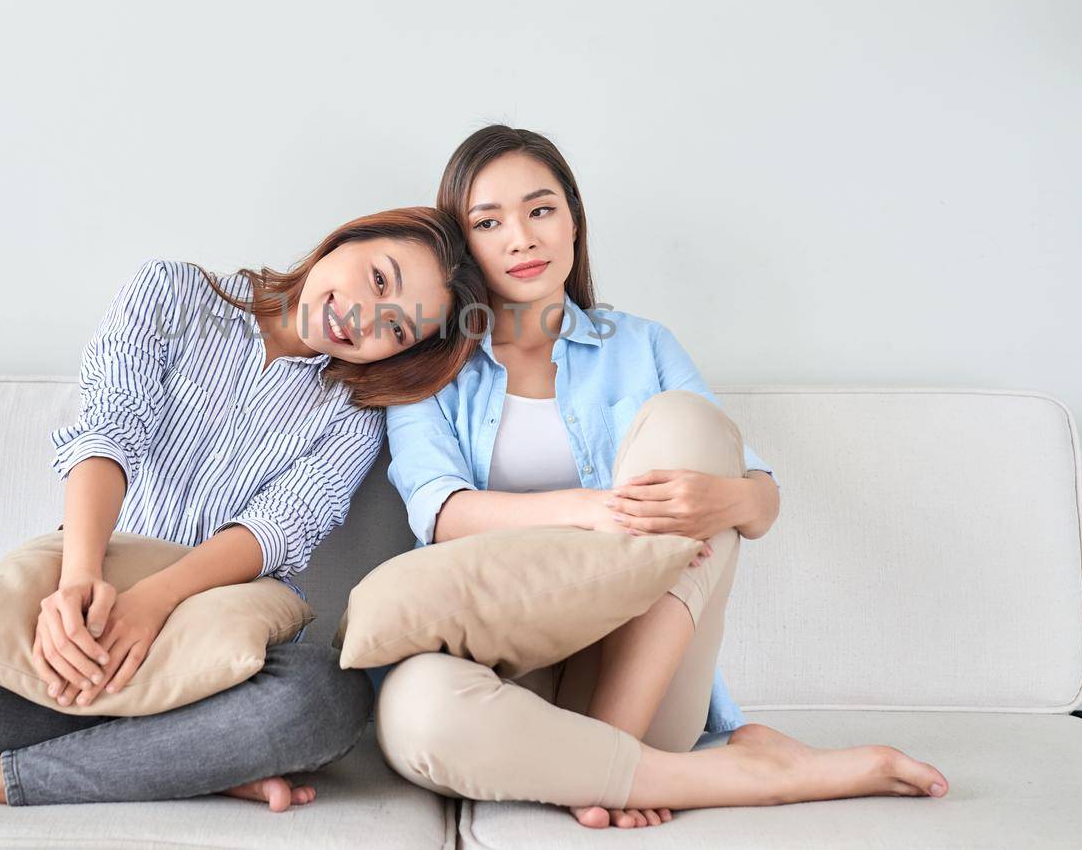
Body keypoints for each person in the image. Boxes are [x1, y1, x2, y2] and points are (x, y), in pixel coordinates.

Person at [0, 206, 487, 809]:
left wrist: (152, 604)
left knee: (325, 701)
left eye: (396, 330)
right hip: (81, 607)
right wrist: (77, 580)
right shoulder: (175, 293)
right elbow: (109, 429)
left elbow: (278, 528)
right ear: (350, 239)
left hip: (205, 651)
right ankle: (187, 764)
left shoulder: (355, 413)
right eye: (378, 279)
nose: (363, 318)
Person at [378, 127, 949, 829]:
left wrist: (727, 498)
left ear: (575, 221)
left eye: (541, 210)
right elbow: (441, 512)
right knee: (416, 714)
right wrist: (594, 509)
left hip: (640, 680)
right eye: (489, 222)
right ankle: (748, 775)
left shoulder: (642, 344)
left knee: (689, 424)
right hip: (501, 679)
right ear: (464, 247)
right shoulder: (430, 370)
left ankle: (611, 752)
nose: (522, 239)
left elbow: (760, 499)